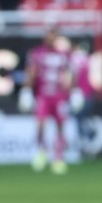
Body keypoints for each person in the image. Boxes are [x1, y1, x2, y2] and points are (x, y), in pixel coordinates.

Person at [24, 28, 73, 174]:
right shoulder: (38, 53)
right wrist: (26, 90)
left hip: (58, 95)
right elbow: (31, 72)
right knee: (40, 124)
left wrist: (73, 91)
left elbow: (68, 74)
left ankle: (59, 157)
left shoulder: (63, 55)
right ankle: (41, 151)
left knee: (60, 125)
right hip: (43, 95)